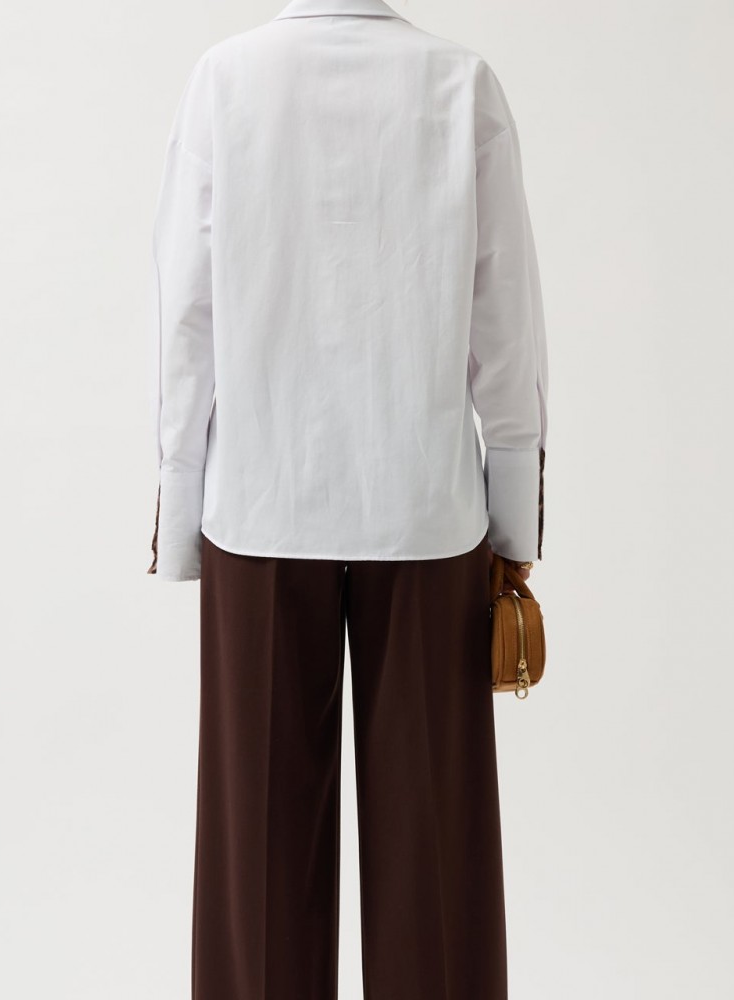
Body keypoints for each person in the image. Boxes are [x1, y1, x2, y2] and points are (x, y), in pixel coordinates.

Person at [145, 0, 548, 996]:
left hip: (260, 502)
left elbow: (186, 313)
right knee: (436, 869)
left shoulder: (227, 79)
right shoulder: (458, 84)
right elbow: (505, 318)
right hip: (424, 508)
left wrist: (179, 501)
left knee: (256, 866)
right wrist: (514, 508)